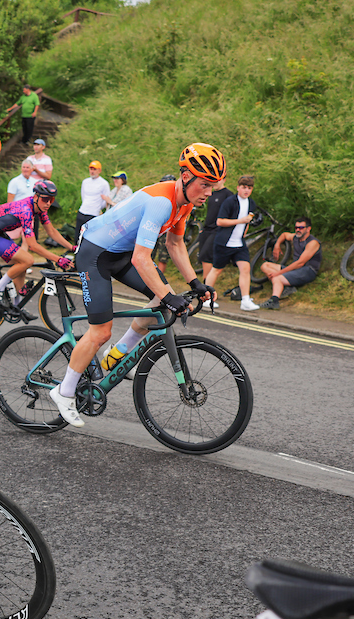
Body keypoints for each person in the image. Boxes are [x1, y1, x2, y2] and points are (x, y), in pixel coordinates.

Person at [48, 143, 224, 428]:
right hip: (96, 254)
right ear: (186, 176)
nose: (209, 193)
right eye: (205, 185)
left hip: (124, 255)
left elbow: (175, 243)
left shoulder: (186, 203)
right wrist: (168, 295)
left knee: (160, 305)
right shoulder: (162, 202)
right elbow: (143, 259)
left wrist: (195, 282)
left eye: (213, 186)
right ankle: (64, 391)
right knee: (100, 331)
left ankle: (115, 356)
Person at [0, 181, 75, 315]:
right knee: (28, 260)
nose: (48, 203)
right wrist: (57, 259)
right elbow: (33, 245)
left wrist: (72, 247)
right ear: (36, 197)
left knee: (21, 262)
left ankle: (17, 306)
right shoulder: (26, 210)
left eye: (51, 200)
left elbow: (51, 231)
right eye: (45, 199)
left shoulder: (39, 208)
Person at [204, 175, 259, 311]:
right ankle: (206, 298)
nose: (246, 190)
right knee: (216, 269)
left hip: (239, 244)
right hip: (224, 243)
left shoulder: (251, 203)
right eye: (244, 187)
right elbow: (220, 221)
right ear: (238, 188)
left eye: (249, 188)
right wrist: (240, 221)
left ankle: (245, 300)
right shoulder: (230, 202)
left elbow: (248, 220)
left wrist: (245, 229)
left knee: (245, 269)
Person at [259, 216, 322, 310]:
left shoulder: (313, 243)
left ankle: (274, 301)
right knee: (265, 265)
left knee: (277, 278)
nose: (298, 230)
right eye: (296, 227)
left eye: (301, 228)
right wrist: (277, 245)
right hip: (295, 269)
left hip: (308, 270)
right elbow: (284, 235)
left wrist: (279, 273)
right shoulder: (295, 237)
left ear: (308, 229)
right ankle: (286, 287)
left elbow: (300, 263)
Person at [195, 178, 230, 274]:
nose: (216, 183)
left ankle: (207, 285)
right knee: (202, 257)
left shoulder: (228, 195)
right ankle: (205, 283)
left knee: (206, 256)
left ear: (224, 180)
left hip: (217, 230)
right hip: (207, 229)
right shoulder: (211, 194)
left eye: (219, 180)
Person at [76, 160, 110, 233]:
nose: (92, 171)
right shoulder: (85, 182)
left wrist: (98, 207)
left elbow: (106, 199)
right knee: (78, 235)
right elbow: (83, 196)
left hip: (93, 213)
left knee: (89, 235)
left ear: (99, 171)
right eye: (91, 169)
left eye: (95, 169)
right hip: (82, 211)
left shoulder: (104, 183)